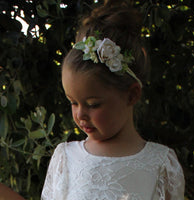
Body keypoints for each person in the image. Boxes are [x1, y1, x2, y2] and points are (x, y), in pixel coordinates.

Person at [41, 0, 185, 199]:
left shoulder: (161, 164)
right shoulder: (66, 159)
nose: (80, 114)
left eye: (93, 104)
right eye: (73, 102)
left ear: (132, 95)